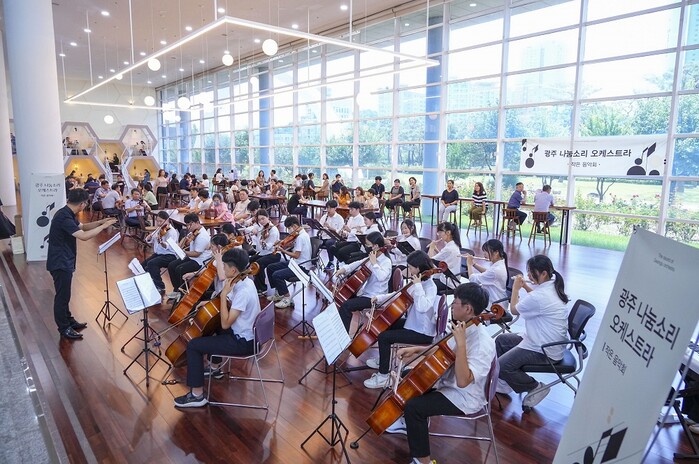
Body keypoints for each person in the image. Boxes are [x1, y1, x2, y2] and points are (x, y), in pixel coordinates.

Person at [390, 283, 495, 464]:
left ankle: (423, 461)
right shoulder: (464, 326)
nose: (452, 305)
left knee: (415, 408)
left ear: (468, 309)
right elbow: (444, 352)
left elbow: (463, 381)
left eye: (455, 302)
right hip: (449, 382)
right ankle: (409, 424)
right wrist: (416, 350)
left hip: (464, 396)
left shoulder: (482, 343)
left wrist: (461, 345)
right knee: (408, 375)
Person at [173, 248, 261, 408]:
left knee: (193, 346)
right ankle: (214, 369)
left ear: (233, 270)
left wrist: (222, 295)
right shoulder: (244, 280)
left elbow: (226, 323)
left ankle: (197, 396)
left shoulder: (243, 291)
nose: (222, 269)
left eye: (224, 266)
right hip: (246, 333)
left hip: (244, 342)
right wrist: (207, 304)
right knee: (211, 324)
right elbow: (228, 305)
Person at [495, 255, 569, 409]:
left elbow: (514, 310)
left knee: (502, 365)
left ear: (544, 273)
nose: (528, 275)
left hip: (544, 350)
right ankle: (504, 382)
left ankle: (536, 387)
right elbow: (537, 300)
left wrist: (515, 289)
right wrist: (525, 287)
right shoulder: (552, 283)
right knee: (502, 341)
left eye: (531, 272)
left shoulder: (540, 296)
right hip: (548, 342)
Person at [46, 189, 117, 340]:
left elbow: (83, 227)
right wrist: (103, 227)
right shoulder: (64, 217)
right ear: (82, 204)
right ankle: (64, 328)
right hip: (60, 261)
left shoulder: (67, 212)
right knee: (62, 296)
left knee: (65, 294)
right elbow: (83, 236)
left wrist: (101, 222)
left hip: (65, 259)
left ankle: (69, 320)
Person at [363, 250, 438, 389]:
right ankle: (384, 360)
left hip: (422, 332)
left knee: (384, 337)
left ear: (418, 268)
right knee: (386, 325)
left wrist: (418, 285)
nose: (409, 270)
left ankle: (383, 376)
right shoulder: (418, 281)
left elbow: (422, 307)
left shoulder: (430, 287)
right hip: (413, 324)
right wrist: (379, 298)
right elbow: (398, 294)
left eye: (411, 267)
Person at [335, 231, 392, 332]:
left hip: (375, 297)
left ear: (375, 246)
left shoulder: (386, 262)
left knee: (346, 306)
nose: (366, 246)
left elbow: (381, 277)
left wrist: (374, 264)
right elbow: (357, 264)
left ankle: (344, 335)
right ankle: (339, 331)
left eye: (368, 244)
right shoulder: (371, 257)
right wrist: (343, 269)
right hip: (366, 293)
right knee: (342, 298)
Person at [266, 216, 312, 308]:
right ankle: (279, 293)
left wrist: (283, 251)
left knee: (277, 275)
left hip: (301, 266)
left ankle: (287, 298)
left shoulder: (301, 237)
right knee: (270, 268)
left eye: (289, 228)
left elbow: (296, 255)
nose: (288, 231)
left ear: (294, 226)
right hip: (295, 263)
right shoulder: (301, 234)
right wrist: (286, 244)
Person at [166, 213, 212, 299]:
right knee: (171, 265)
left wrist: (184, 252)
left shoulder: (203, 236)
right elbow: (181, 245)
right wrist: (184, 239)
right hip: (192, 258)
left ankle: (182, 294)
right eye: (187, 225)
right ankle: (176, 290)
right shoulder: (194, 232)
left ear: (197, 222)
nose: (188, 227)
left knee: (179, 269)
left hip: (200, 261)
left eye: (189, 224)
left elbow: (197, 253)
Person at [142, 211, 180, 294]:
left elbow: (169, 246)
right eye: (157, 221)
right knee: (143, 265)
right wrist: (149, 238)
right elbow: (150, 239)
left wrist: (163, 243)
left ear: (167, 220)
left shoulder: (171, 232)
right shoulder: (159, 229)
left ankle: (160, 286)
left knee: (152, 263)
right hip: (159, 254)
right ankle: (151, 281)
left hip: (170, 255)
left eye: (161, 221)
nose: (159, 223)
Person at [466, 239, 509, 308]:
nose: (484, 254)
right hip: (497, 301)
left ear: (496, 252)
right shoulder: (499, 264)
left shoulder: (496, 270)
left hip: (495, 306)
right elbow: (488, 272)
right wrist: (473, 264)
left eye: (486, 251)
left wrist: (469, 264)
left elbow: (473, 279)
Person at [245, 210, 281, 293]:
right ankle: (255, 284)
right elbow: (247, 229)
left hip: (273, 254)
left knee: (259, 263)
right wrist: (253, 229)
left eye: (263, 219)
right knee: (250, 260)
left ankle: (262, 288)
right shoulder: (261, 227)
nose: (261, 221)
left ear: (268, 217)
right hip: (263, 253)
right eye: (259, 220)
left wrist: (262, 242)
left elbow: (268, 247)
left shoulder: (273, 230)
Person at [428, 221, 462, 294]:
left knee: (427, 286)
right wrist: (435, 249)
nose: (439, 234)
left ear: (448, 232)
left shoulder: (449, 248)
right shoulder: (452, 244)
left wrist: (431, 248)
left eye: (440, 232)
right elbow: (442, 257)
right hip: (448, 278)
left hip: (448, 281)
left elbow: (431, 261)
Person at [318, 200, 345, 271]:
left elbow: (339, 232)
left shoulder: (339, 218)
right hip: (324, 237)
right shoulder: (324, 217)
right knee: (313, 240)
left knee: (329, 243)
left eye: (330, 208)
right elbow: (320, 227)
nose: (328, 210)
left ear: (335, 208)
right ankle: (314, 260)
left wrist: (329, 227)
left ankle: (331, 262)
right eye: (327, 208)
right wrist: (321, 228)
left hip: (334, 239)